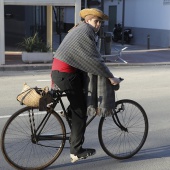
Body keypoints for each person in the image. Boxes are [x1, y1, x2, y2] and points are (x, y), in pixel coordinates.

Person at [51, 8, 121, 163]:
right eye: (96, 21)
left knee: (81, 94)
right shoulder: (86, 32)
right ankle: (76, 151)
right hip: (65, 74)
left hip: (61, 72)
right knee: (80, 111)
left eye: (100, 23)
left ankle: (70, 113)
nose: (98, 25)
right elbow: (95, 60)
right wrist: (111, 77)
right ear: (88, 20)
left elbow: (87, 59)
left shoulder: (78, 28)